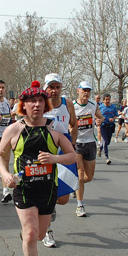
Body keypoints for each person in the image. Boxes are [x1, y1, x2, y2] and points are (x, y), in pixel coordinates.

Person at [0, 83, 76, 256]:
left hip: (48, 190)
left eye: (41, 101)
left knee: (39, 236)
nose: (37, 104)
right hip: (24, 189)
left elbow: (72, 156)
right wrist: (5, 174)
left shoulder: (54, 130)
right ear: (23, 105)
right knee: (31, 235)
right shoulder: (14, 129)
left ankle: (32, 234)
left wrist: (55, 159)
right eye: (32, 101)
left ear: (45, 104)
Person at [41, 73, 79, 247]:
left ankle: (51, 207)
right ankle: (48, 231)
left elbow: (74, 124)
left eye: (57, 87)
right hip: (45, 152)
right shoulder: (40, 104)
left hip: (63, 152)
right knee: (45, 193)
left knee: (63, 198)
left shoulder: (68, 103)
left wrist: (71, 142)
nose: (54, 91)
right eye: (51, 87)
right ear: (45, 88)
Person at [73, 81, 104, 217]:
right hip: (77, 143)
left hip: (90, 142)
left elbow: (100, 116)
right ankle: (80, 205)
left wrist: (99, 121)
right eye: (84, 90)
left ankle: (76, 186)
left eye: (88, 90)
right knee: (80, 174)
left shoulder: (93, 105)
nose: (86, 93)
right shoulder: (72, 106)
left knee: (89, 177)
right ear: (78, 90)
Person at [98, 93, 119, 164]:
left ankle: (100, 147)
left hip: (110, 126)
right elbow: (96, 116)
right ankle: (107, 158)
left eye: (109, 99)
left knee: (108, 142)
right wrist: (101, 119)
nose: (107, 101)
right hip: (103, 126)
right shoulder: (100, 107)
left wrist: (113, 119)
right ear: (103, 100)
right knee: (105, 141)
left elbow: (116, 115)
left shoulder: (113, 107)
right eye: (106, 99)